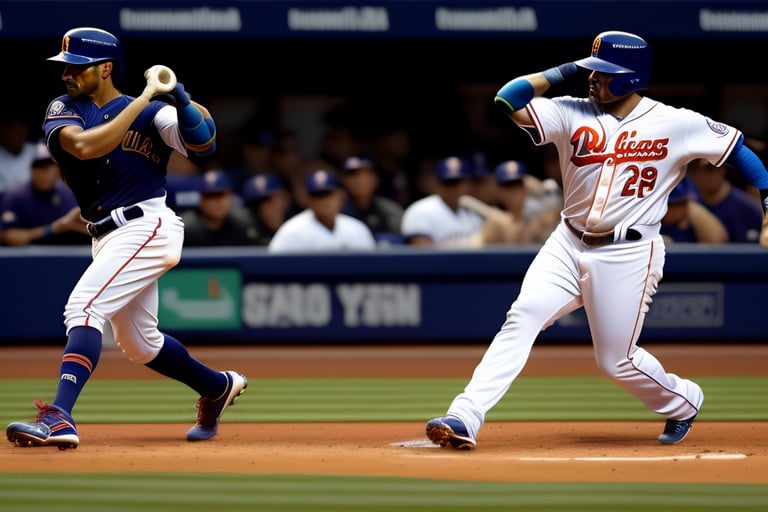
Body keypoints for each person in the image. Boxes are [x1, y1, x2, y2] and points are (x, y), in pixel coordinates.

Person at [425, 30, 768, 450]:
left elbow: (746, 157)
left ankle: (683, 400)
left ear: (629, 78)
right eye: (590, 71)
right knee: (522, 317)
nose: (591, 78)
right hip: (567, 244)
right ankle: (465, 415)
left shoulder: (677, 123)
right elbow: (507, 98)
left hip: (630, 252)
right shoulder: (570, 112)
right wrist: (569, 68)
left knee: (615, 361)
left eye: (602, 73)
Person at [6, 27, 247, 450]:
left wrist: (181, 99)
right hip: (104, 234)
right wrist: (143, 98)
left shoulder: (154, 114)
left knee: (84, 306)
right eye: (64, 67)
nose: (66, 74)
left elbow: (204, 144)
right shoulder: (64, 108)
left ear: (105, 69)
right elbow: (83, 147)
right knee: (140, 344)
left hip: (148, 225)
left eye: (76, 68)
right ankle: (217, 387)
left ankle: (59, 416)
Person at [0, 141, 91, 246]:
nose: (43, 172)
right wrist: (55, 228)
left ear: (57, 170)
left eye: (48, 166)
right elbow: (8, 238)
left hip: (62, 255)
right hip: (25, 259)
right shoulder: (15, 197)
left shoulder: (67, 195)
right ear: (31, 170)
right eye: (38, 167)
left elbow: (82, 227)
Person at [268, 169, 376, 252]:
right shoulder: (291, 232)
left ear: (341, 196)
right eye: (318, 195)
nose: (325, 201)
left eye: (328, 194)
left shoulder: (357, 229)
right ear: (308, 199)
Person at [400, 156, 485, 247]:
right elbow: (422, 257)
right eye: (449, 182)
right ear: (438, 184)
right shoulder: (420, 211)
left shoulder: (474, 212)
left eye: (459, 181)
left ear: (469, 183)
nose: (456, 188)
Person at [686, 158, 764, 243]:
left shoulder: (748, 207)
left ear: (724, 169)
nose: (713, 174)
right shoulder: (685, 206)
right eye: (707, 169)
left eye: (717, 166)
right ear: (691, 173)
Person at [181, 169, 258, 246]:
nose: (217, 202)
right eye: (211, 196)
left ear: (229, 197)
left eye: (221, 195)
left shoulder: (242, 225)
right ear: (201, 200)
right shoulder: (184, 230)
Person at [339, 156, 404, 244]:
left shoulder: (391, 211)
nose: (360, 180)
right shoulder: (335, 210)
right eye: (353, 175)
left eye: (366, 174)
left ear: (376, 179)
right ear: (343, 180)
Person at [660, 175, 728, 244]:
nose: (674, 211)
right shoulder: (653, 218)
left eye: (680, 204)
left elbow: (718, 242)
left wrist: (692, 209)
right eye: (671, 205)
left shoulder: (693, 218)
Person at [242, 172, 295, 246]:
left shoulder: (299, 226)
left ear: (286, 198)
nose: (266, 208)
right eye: (258, 204)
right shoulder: (242, 232)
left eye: (271, 200)